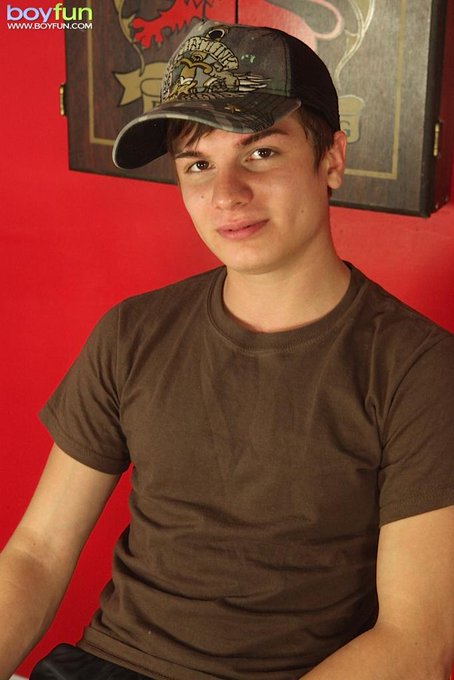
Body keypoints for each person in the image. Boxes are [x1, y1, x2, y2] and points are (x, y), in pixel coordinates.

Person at [1, 19, 453, 680]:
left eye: (261, 152)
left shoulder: (420, 370)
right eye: (198, 164)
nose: (225, 194)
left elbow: (416, 641)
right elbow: (37, 553)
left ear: (331, 159)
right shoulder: (132, 333)